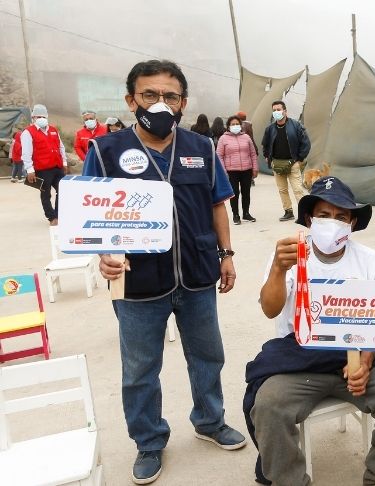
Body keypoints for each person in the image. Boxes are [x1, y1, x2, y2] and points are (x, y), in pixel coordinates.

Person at [81, 59, 246, 485]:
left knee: (208, 356)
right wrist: (104, 256)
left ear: (183, 103)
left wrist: (226, 253)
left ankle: (210, 422)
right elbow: (90, 217)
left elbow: (217, 205)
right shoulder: (105, 151)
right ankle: (149, 442)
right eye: (149, 94)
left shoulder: (202, 148)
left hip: (196, 276)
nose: (160, 103)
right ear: (131, 99)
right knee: (139, 370)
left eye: (169, 96)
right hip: (136, 284)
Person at [245, 176, 375, 485]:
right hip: (299, 360)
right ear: (310, 219)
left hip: (353, 359)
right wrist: (278, 269)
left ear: (351, 223)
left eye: (341, 217)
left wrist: (364, 363)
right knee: (268, 404)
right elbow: (270, 309)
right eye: (324, 216)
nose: (332, 223)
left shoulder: (369, 261)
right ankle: (289, 480)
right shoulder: (289, 255)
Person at [260, 101, 310, 222]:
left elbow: (306, 143)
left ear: (285, 111)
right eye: (274, 110)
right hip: (277, 164)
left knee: (298, 190)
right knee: (282, 190)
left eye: (278, 109)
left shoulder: (296, 126)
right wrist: (268, 157)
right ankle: (288, 212)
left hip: (293, 163)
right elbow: (265, 144)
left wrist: (299, 159)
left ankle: (305, 214)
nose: (276, 112)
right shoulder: (270, 129)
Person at [21, 104, 68, 225]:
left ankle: (60, 213)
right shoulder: (28, 132)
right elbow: (26, 153)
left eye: (43, 116)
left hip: (57, 167)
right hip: (42, 169)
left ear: (47, 117)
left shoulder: (53, 130)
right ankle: (52, 217)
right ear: (33, 118)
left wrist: (64, 162)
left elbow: (61, 146)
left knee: (63, 190)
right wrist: (30, 170)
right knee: (45, 194)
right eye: (37, 116)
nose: (40, 118)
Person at [217, 115, 258, 225]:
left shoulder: (246, 137)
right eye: (233, 124)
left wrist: (255, 168)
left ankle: (246, 213)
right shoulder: (223, 138)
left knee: (246, 192)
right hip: (231, 171)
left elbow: (253, 154)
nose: (235, 126)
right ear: (228, 126)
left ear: (241, 125)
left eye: (237, 124)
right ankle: (236, 215)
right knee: (234, 193)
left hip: (246, 169)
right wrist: (223, 171)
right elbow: (219, 155)